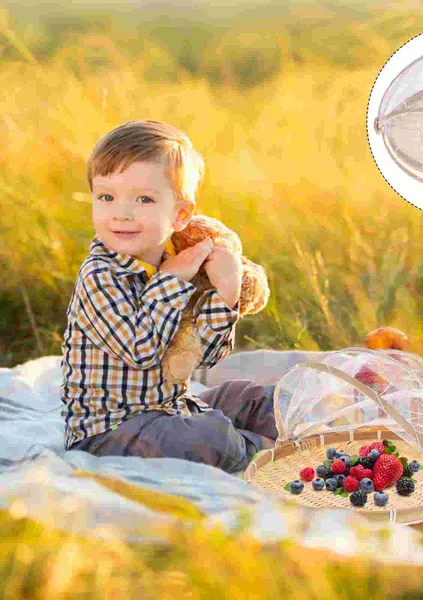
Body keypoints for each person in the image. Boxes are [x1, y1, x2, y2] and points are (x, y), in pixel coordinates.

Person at [60, 119, 277, 473]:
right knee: (205, 438)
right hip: (108, 432)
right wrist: (172, 281)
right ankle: (264, 454)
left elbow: (204, 356)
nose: (122, 213)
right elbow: (139, 349)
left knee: (246, 397)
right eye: (106, 197)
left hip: (168, 408)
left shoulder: (179, 263)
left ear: (180, 215)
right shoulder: (99, 276)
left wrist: (225, 294)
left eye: (144, 199)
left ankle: (319, 429)